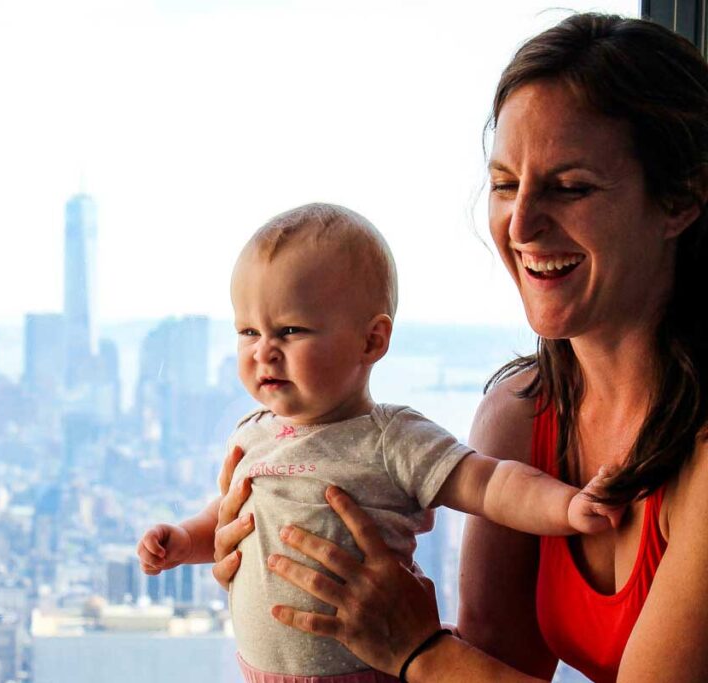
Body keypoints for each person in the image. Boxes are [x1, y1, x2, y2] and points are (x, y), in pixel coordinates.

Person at [210, 13, 708, 683]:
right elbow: (492, 666)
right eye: (505, 184)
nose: (522, 224)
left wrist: (418, 648)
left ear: (680, 199)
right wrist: (287, 586)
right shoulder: (521, 413)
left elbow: (447, 665)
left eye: (571, 187)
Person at [136, 203, 621, 683]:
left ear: (371, 342)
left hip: (370, 670)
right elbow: (227, 516)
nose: (264, 350)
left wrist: (567, 508)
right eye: (248, 331)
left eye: (290, 330)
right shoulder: (252, 433)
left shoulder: (392, 440)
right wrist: (183, 542)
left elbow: (491, 483)